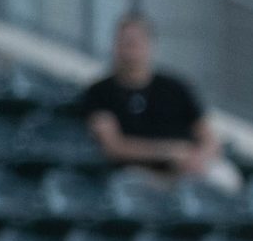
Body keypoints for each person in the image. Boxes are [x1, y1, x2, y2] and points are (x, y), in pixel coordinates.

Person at [78, 13, 240, 191]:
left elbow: (209, 137)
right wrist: (167, 152)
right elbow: (114, 146)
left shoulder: (175, 87)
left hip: (187, 168)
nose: (129, 50)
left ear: (150, 45)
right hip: (141, 172)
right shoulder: (101, 91)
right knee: (128, 186)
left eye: (135, 43)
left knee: (224, 178)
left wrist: (197, 159)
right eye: (124, 43)